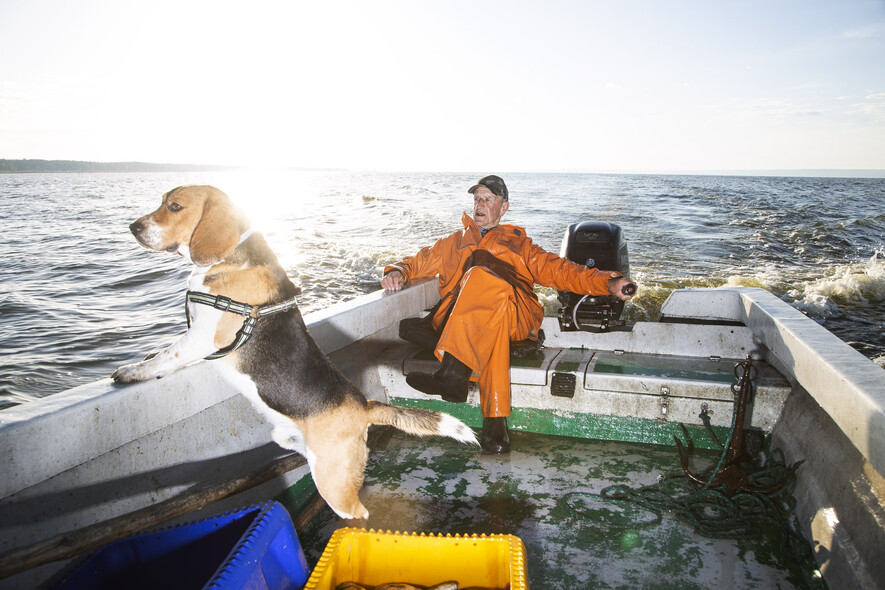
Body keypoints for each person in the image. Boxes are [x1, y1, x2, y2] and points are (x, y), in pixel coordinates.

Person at [381, 175, 635, 454]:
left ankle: (454, 374)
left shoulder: (521, 246)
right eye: (477, 198)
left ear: (503, 208)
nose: (480, 204)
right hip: (463, 320)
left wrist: (607, 281)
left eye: (488, 199)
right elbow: (415, 263)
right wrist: (397, 271)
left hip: (518, 317)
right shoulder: (451, 244)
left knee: (485, 287)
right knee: (491, 323)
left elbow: (564, 272)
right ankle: (495, 430)